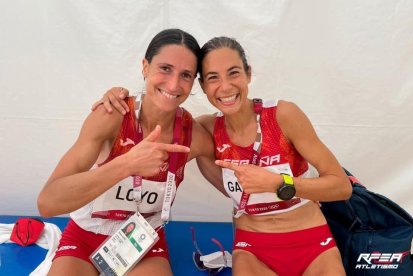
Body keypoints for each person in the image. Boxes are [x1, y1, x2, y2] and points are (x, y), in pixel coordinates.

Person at [96, 37, 352, 275]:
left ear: (248, 74)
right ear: (203, 86)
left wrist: (282, 185)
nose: (225, 86)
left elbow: (341, 187)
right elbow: (156, 120)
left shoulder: (283, 115)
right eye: (213, 77)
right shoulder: (204, 130)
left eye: (234, 73)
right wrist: (119, 97)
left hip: (310, 238)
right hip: (254, 247)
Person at [37, 28, 223, 276]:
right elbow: (48, 203)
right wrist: (126, 164)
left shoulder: (194, 137)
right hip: (85, 236)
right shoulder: (111, 116)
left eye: (186, 75)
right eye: (165, 68)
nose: (174, 83)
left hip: (143, 241)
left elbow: (238, 191)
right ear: (145, 67)